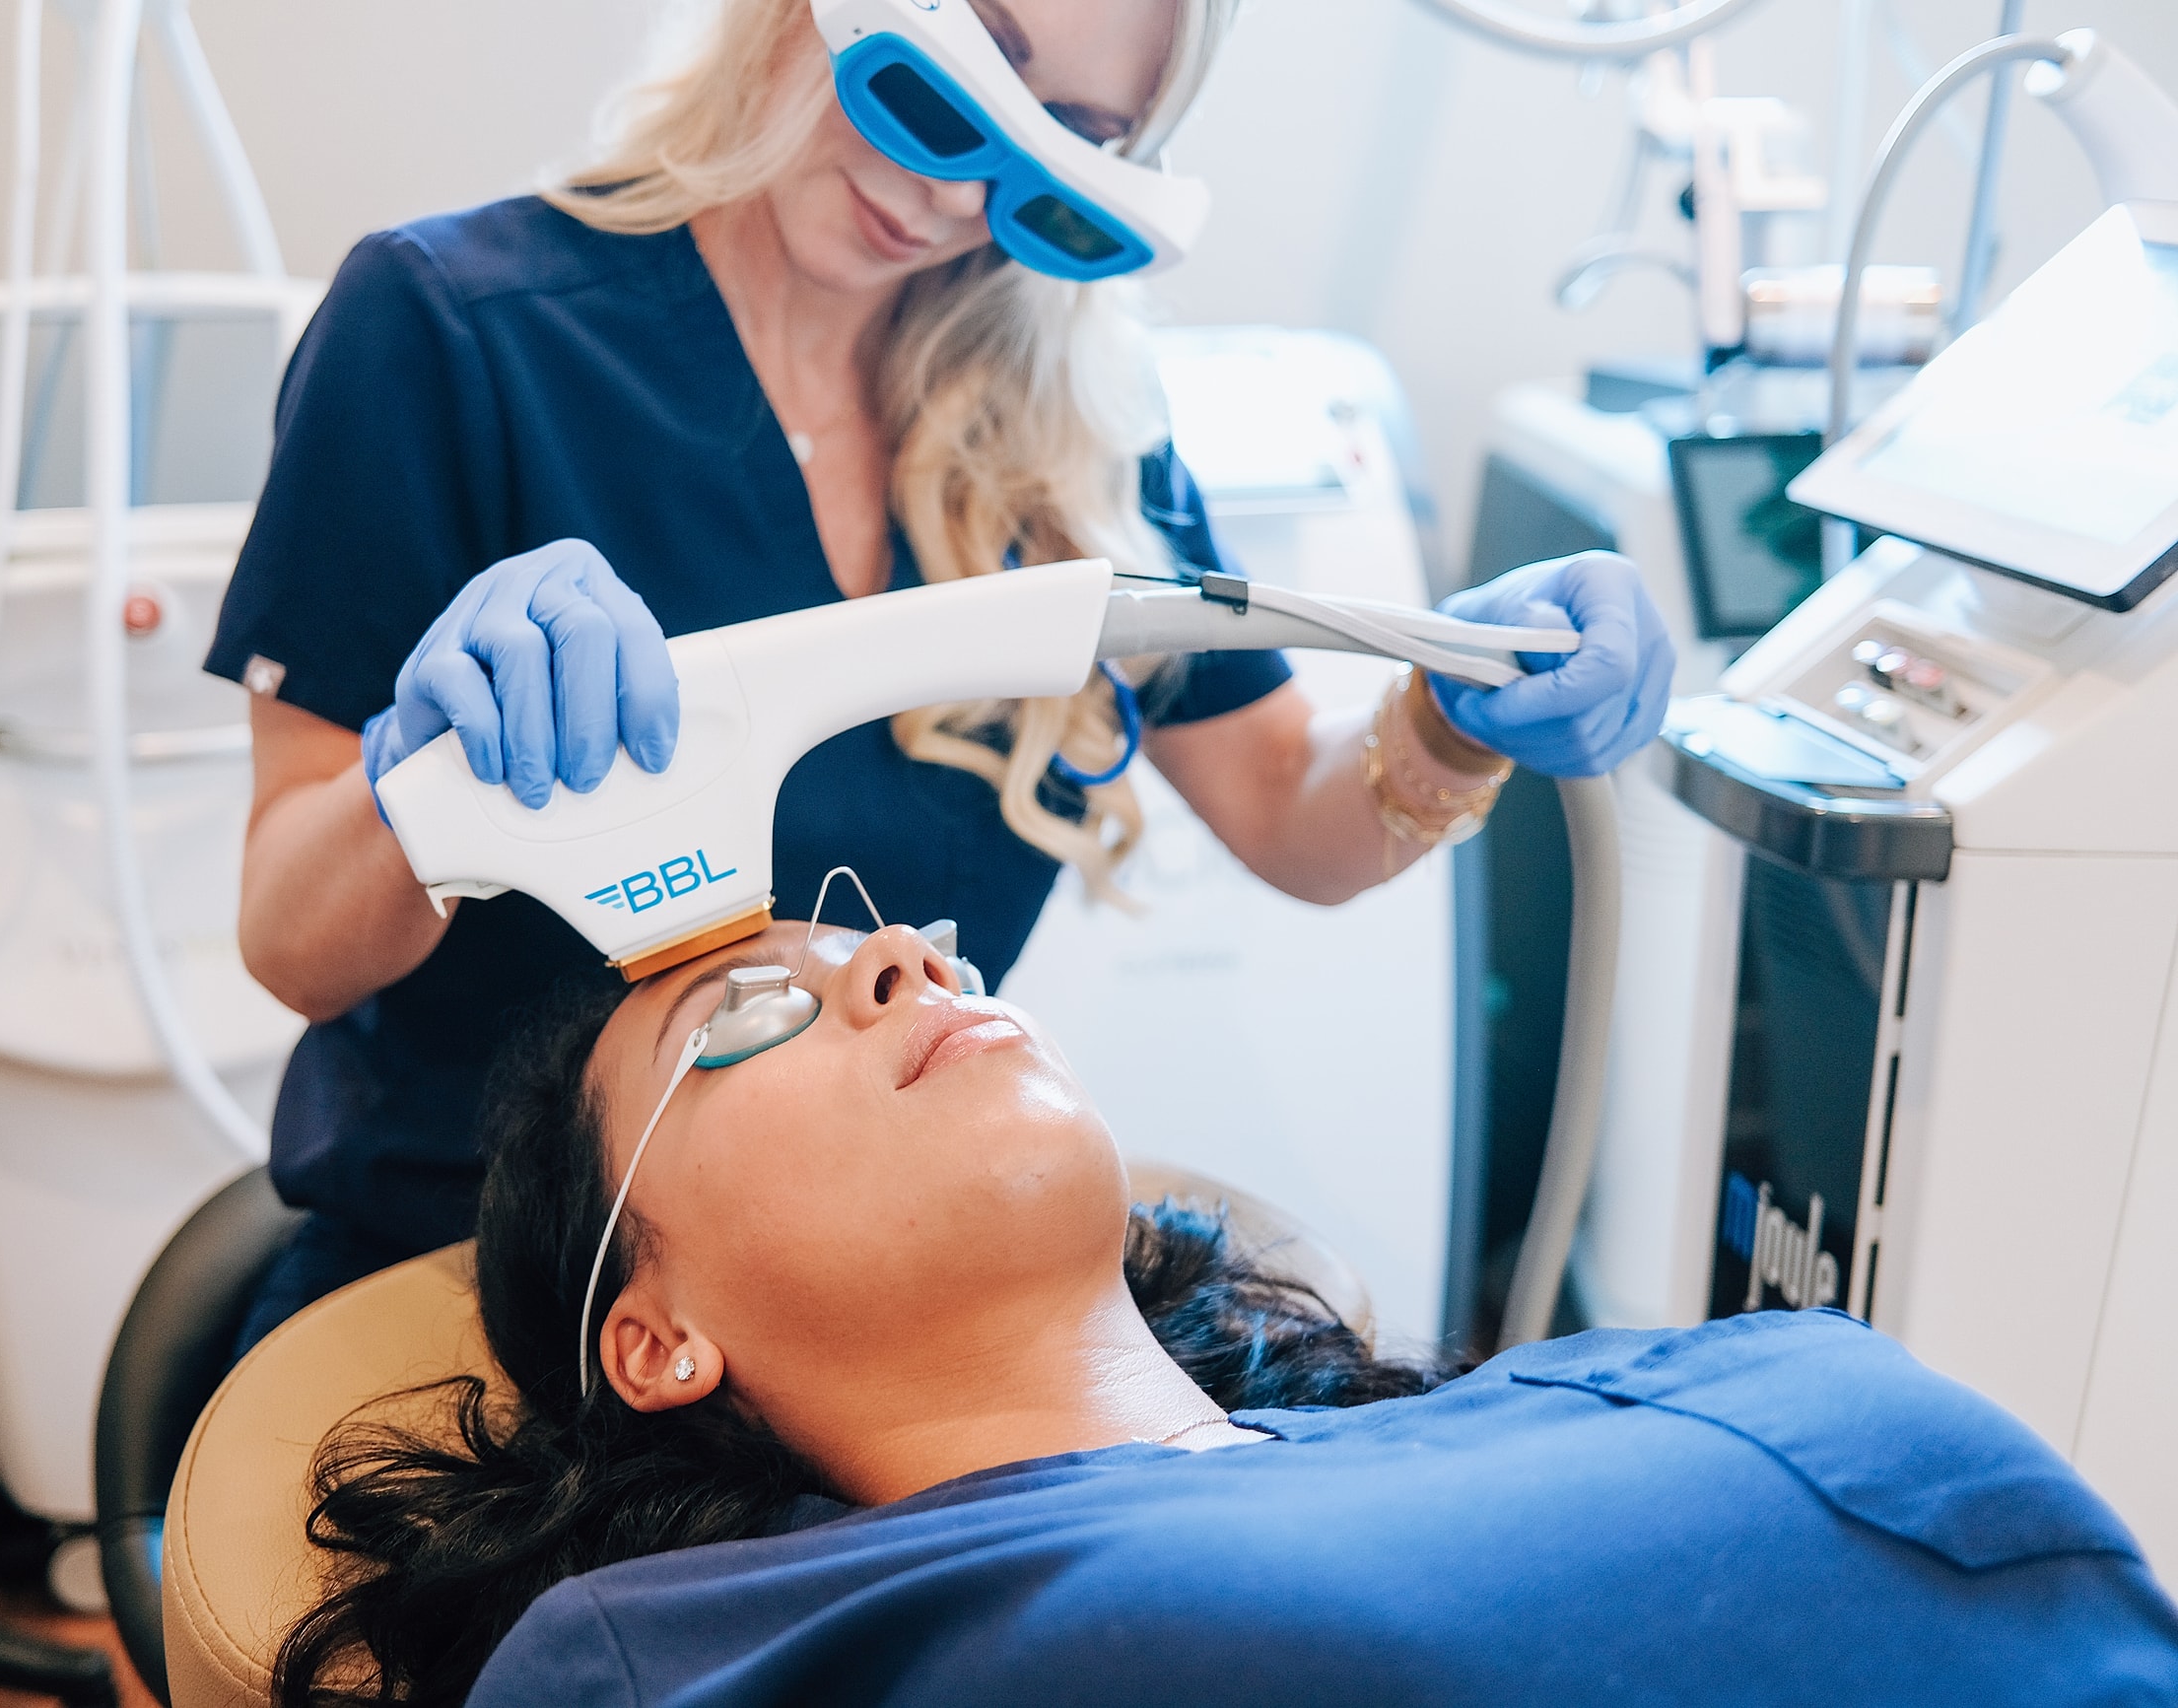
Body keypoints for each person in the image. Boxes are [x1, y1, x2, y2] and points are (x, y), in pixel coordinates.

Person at [206, 0, 1677, 1351]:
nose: (954, 197)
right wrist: (421, 786)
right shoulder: (450, 331)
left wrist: (1454, 703)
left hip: (865, 1312)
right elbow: (290, 935)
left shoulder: (1069, 429)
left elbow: (1292, 804)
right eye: (951, 74)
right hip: (476, 1296)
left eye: (1069, 146)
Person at [274, 921, 2178, 1706]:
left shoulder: (1600, 1386)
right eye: (751, 1020)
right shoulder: (687, 1649)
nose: (901, 957)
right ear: (658, 1334)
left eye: (891, 934)